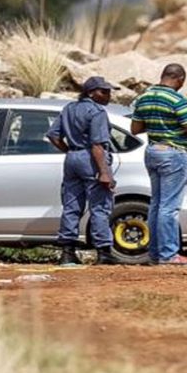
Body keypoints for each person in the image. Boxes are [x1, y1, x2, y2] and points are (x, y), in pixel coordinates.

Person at [130, 64, 187, 265]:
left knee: (156, 204)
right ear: (180, 79)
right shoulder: (177, 99)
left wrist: (156, 123)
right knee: (169, 207)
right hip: (173, 152)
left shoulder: (144, 97)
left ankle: (155, 253)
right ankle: (169, 254)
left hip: (153, 151)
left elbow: (135, 128)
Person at [46, 77, 120, 266]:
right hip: (91, 159)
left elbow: (53, 135)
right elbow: (97, 145)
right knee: (100, 207)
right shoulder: (97, 112)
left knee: (71, 206)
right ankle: (103, 252)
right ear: (90, 93)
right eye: (104, 92)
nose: (108, 95)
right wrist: (104, 172)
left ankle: (67, 251)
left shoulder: (69, 108)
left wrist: (70, 151)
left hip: (72, 158)